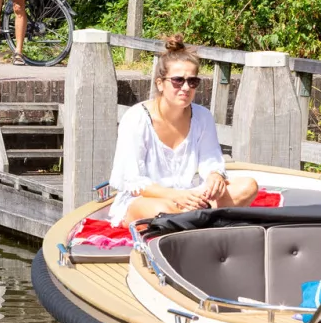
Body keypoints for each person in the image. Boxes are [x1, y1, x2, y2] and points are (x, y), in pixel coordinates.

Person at [106, 35, 259, 225]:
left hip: (190, 194)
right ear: (160, 83)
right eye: (178, 80)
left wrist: (215, 176)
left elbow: (210, 160)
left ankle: (191, 218)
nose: (186, 88)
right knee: (162, 211)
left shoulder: (202, 116)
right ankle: (200, 218)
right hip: (150, 199)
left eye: (192, 82)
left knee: (247, 186)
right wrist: (175, 196)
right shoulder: (136, 118)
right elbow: (133, 182)